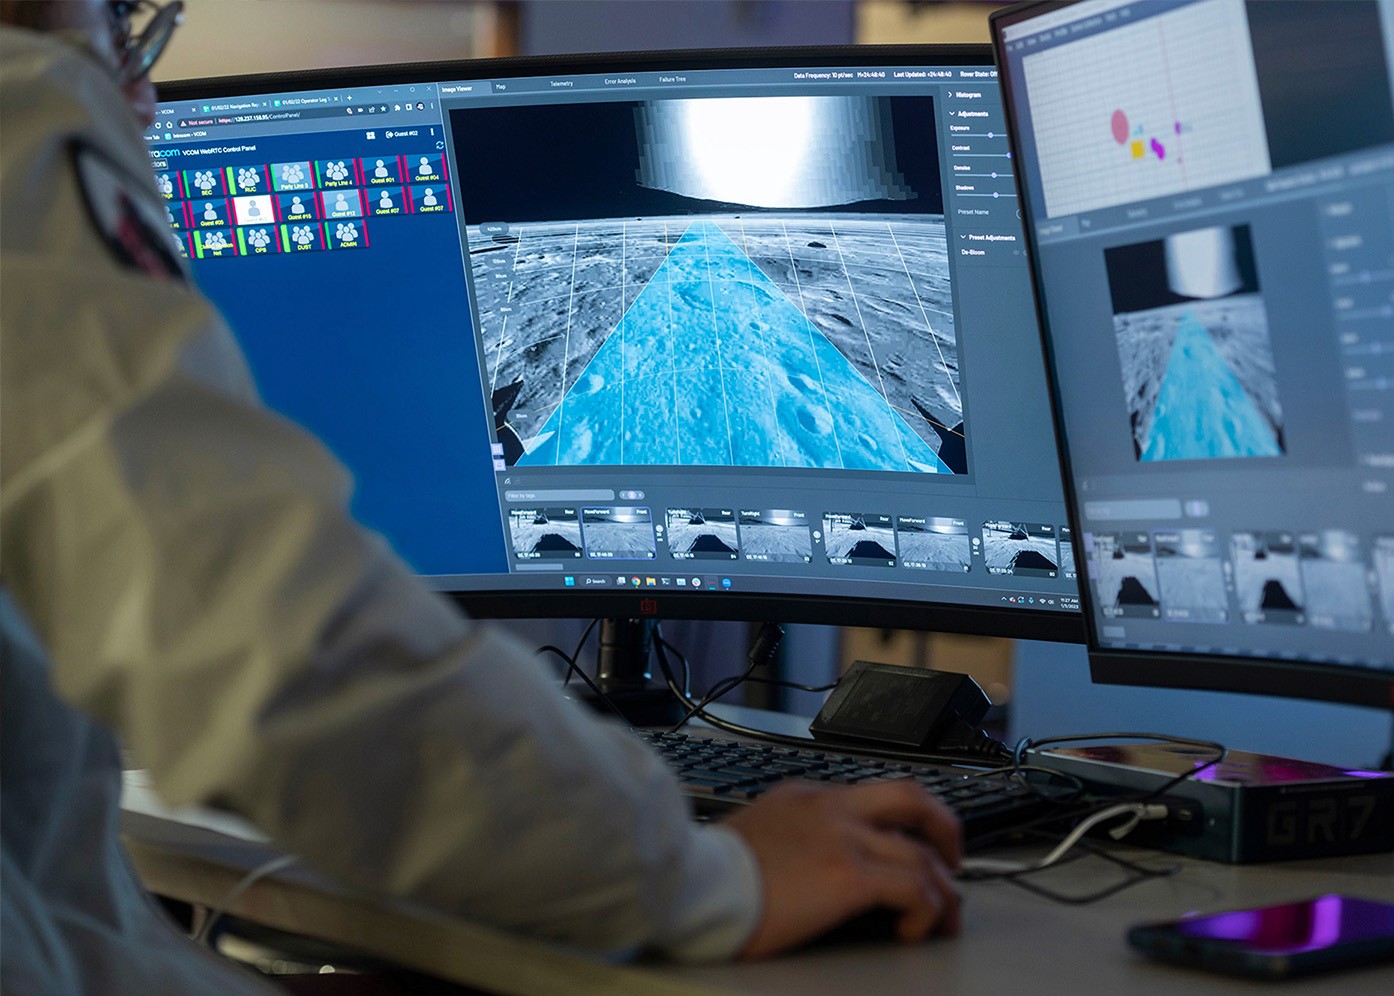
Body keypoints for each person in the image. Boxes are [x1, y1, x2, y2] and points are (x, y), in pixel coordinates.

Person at [0, 2, 964, 993]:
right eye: (113, 29)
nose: (142, 96)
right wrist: (714, 880)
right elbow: (290, 672)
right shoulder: (19, 117)